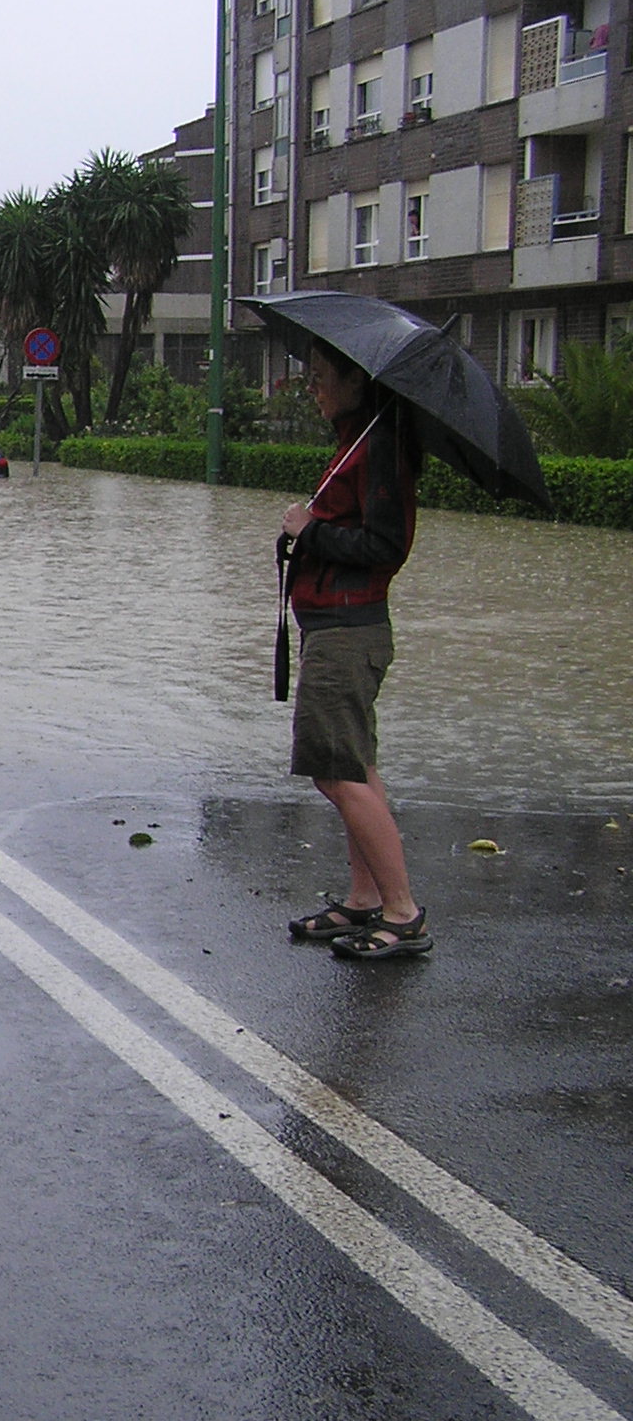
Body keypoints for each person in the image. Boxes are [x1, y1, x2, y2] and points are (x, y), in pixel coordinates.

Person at [281, 341, 430, 959]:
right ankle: (365, 899)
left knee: (335, 771)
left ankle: (403, 912)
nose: (312, 388)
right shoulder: (358, 439)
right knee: (356, 764)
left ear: (355, 380)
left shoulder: (381, 446)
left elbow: (386, 545)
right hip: (332, 627)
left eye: (320, 378)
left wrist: (310, 530)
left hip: (349, 632)